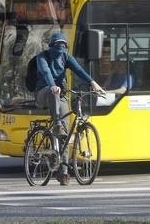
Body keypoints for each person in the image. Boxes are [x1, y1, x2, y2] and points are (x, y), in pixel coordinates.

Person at [34, 32, 104, 186]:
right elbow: (46, 71)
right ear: (51, 45)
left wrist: (93, 83)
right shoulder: (42, 56)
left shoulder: (66, 57)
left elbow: (79, 70)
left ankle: (64, 172)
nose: (60, 47)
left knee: (64, 135)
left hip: (61, 94)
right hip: (43, 92)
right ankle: (56, 124)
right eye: (57, 44)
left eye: (63, 45)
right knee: (53, 95)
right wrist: (52, 85)